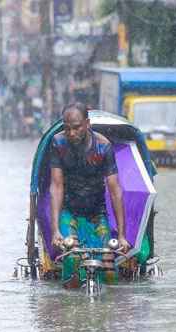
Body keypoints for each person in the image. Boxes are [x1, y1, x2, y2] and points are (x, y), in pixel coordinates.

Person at [47, 102, 128, 288]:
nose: (71, 133)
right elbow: (56, 186)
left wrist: (122, 235)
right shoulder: (58, 143)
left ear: (87, 123)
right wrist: (55, 230)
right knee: (72, 258)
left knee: (108, 264)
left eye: (76, 128)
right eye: (67, 129)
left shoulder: (103, 146)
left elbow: (115, 190)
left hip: (96, 213)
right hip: (69, 211)